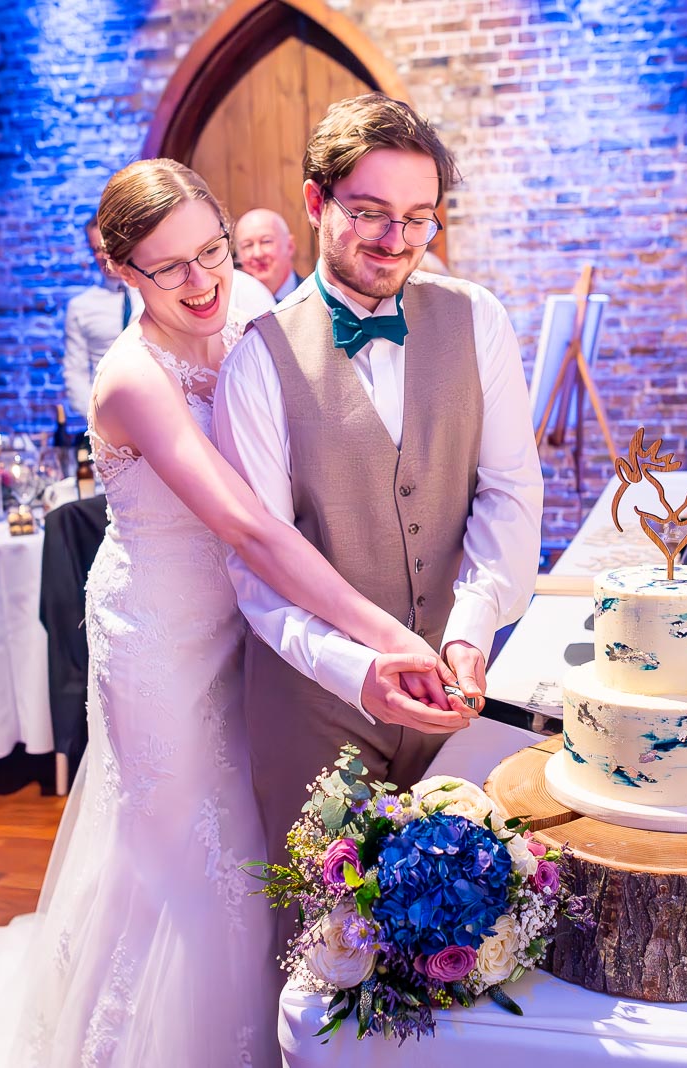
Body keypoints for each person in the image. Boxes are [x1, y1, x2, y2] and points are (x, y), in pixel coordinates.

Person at [0, 159, 470, 1068]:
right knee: (178, 852)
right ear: (121, 272)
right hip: (157, 635)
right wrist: (388, 635)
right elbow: (246, 522)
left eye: (214, 253)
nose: (203, 284)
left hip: (246, 623)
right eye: (171, 269)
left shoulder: (245, 308)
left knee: (251, 822)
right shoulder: (129, 379)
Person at [214, 94, 544, 905]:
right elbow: (256, 567)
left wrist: (470, 630)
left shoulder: (478, 319)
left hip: (460, 692)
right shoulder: (257, 362)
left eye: (419, 217)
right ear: (315, 203)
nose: (397, 241)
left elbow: (508, 491)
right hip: (314, 701)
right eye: (369, 214)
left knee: (459, 926)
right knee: (328, 947)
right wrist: (357, 671)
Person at [61, 217, 138, 421]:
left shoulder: (153, 291)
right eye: (96, 249)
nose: (104, 255)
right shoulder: (81, 307)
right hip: (107, 414)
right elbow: (75, 373)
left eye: (107, 246)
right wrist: (99, 418)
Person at [234, 207, 303, 301]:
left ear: (289, 246)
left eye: (266, 241)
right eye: (248, 245)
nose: (257, 254)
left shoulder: (316, 300)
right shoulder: (234, 308)